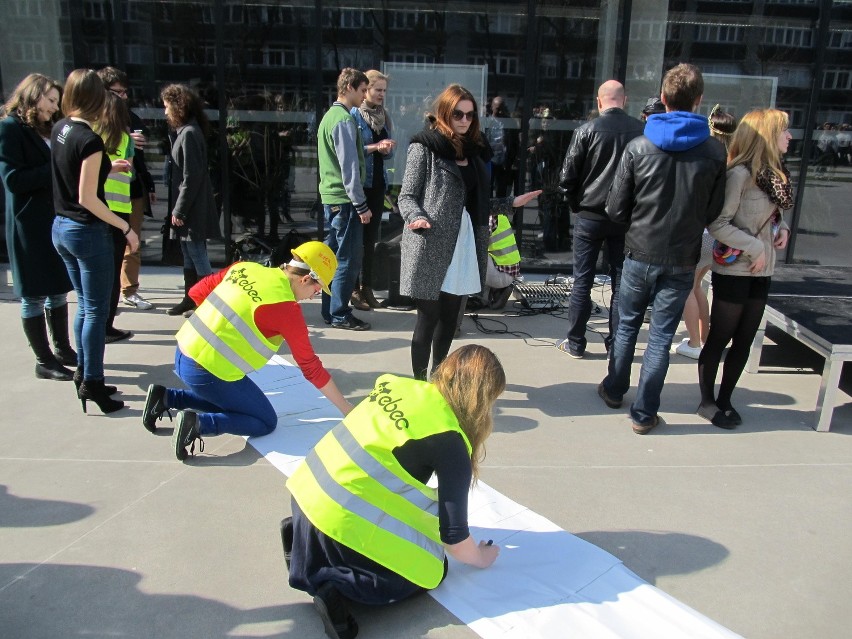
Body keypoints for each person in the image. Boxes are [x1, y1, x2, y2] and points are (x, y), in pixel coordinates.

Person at [284, 344, 505, 639]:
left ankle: (303, 541)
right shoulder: (450, 440)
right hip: (336, 519)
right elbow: (454, 538)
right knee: (432, 571)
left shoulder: (399, 386)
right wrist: (481, 556)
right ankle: (337, 588)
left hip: (305, 493)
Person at [598, 63, 727, 435]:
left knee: (626, 327)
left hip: (639, 250)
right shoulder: (715, 151)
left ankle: (615, 389)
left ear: (664, 99)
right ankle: (643, 413)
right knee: (660, 337)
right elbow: (714, 211)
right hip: (682, 256)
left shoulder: (639, 146)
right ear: (699, 100)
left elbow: (615, 207)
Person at [141, 241, 354, 461]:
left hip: (182, 352)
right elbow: (310, 367)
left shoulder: (245, 268)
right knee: (264, 421)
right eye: (316, 290)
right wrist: (345, 408)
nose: (312, 296)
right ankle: (197, 424)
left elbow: (197, 292)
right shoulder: (287, 310)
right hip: (208, 372)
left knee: (232, 401)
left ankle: (167, 397)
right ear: (305, 279)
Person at [397, 84, 540, 380]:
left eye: (470, 115)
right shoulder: (424, 146)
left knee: (451, 318)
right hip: (430, 240)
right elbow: (407, 196)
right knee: (428, 317)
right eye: (458, 114)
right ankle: (419, 384)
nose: (464, 120)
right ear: (444, 113)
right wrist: (416, 217)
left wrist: (510, 202)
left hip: (464, 242)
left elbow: (477, 202)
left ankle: (438, 377)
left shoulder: (474, 151)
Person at [50, 68, 140, 414]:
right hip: (86, 231)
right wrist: (125, 227)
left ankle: (85, 376)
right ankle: (94, 383)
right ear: (96, 99)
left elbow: (70, 175)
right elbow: (88, 198)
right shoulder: (89, 140)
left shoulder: (61, 129)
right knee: (95, 312)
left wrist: (107, 169)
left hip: (62, 227)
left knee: (85, 307)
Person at [698, 109, 793, 429]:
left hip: (762, 269)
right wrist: (754, 247)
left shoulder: (776, 174)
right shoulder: (738, 174)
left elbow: (774, 215)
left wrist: (783, 228)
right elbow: (717, 224)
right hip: (736, 268)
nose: (789, 137)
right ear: (766, 135)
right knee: (720, 337)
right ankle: (707, 402)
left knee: (745, 339)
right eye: (784, 131)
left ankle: (726, 399)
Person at [556, 80, 644, 358]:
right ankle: (616, 344)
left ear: (599, 101)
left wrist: (576, 206)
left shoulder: (586, 131)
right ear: (624, 100)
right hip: (625, 217)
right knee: (621, 282)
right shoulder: (642, 131)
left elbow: (567, 177)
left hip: (589, 214)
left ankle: (576, 342)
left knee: (583, 279)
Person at [0, 73, 76, 381]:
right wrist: (55, 168)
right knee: (33, 294)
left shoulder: (50, 129)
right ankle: (43, 359)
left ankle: (62, 349)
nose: (54, 107)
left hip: (54, 220)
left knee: (58, 289)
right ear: (33, 96)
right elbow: (13, 180)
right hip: (28, 224)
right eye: (50, 100)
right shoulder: (9, 129)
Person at [675, 104, 738, 360]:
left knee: (688, 289)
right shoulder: (734, 162)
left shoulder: (706, 159)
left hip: (700, 232)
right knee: (699, 287)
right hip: (720, 236)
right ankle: (703, 337)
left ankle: (694, 341)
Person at [318, 68, 373, 331]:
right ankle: (339, 313)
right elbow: (349, 167)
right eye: (363, 90)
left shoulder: (330, 117)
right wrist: (361, 205)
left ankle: (331, 311)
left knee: (332, 258)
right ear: (349, 87)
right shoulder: (343, 119)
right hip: (345, 200)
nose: (365, 96)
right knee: (347, 259)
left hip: (333, 197)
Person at [98, 67, 157, 311]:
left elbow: (138, 160)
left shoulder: (132, 119)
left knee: (132, 243)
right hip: (102, 196)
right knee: (104, 249)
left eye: (125, 92)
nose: (122, 97)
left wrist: (149, 183)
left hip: (130, 191)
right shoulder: (94, 122)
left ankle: (129, 289)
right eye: (116, 92)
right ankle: (103, 296)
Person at [161, 83, 219, 316]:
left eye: (167, 107)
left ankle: (205, 304)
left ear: (178, 107)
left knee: (197, 254)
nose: (165, 112)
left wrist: (180, 210)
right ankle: (190, 298)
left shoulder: (189, 134)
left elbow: (191, 176)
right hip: (188, 206)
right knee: (188, 253)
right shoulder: (186, 132)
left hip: (192, 208)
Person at [349, 69, 395, 311]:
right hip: (361, 186)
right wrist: (376, 146)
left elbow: (390, 155)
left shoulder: (384, 116)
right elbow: (353, 151)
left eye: (384, 91)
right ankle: (354, 289)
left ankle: (367, 287)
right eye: (378, 89)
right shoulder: (354, 116)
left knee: (371, 241)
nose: (381, 95)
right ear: (365, 90)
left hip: (378, 185)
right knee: (357, 240)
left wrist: (386, 149)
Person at [96, 92, 135, 343]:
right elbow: (129, 172)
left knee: (97, 273)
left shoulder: (90, 135)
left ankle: (99, 324)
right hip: (118, 211)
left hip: (95, 208)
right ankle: (106, 325)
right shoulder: (126, 139)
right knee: (110, 274)